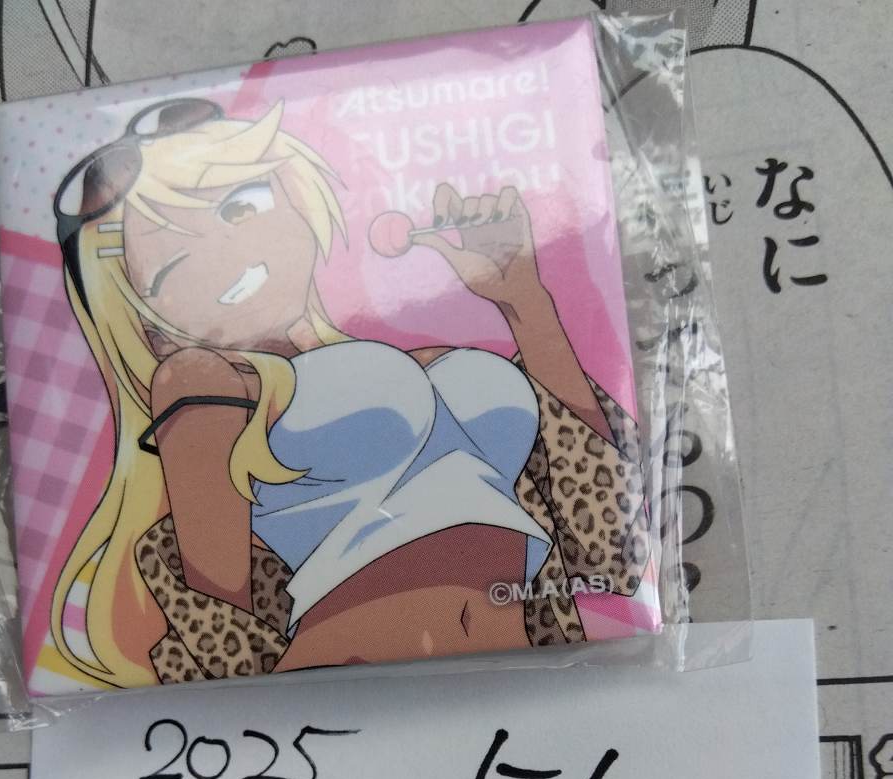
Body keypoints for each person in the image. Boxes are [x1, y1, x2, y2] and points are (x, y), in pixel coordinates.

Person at [51, 97, 650, 688]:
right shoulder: (205, 381)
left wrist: (522, 297)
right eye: (177, 259)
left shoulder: (420, 365)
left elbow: (602, 515)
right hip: (351, 682)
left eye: (243, 206)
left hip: (516, 664)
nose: (234, 249)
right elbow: (220, 614)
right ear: (145, 320)